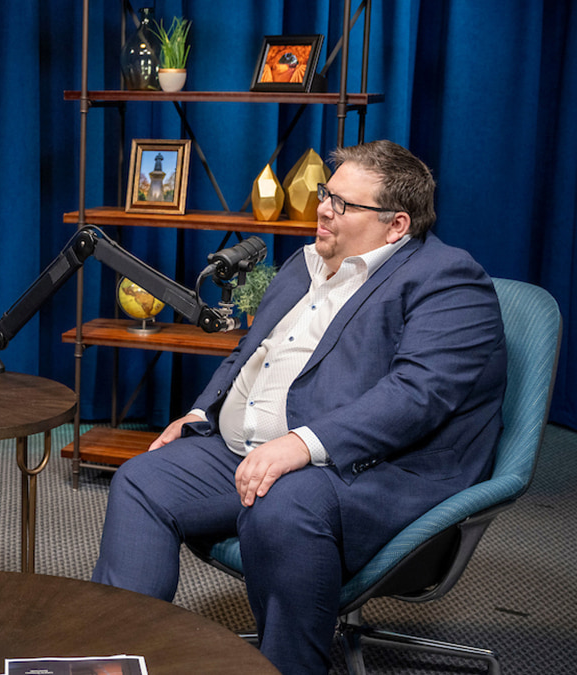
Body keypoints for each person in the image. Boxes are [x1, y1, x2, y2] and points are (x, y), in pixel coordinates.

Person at [91, 140, 507, 674]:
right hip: (252, 451)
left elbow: (417, 394)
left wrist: (302, 444)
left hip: (373, 468)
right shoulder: (306, 261)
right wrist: (202, 413)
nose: (323, 209)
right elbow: (250, 350)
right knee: (142, 479)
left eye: (343, 204)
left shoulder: (447, 279)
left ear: (396, 225)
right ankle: (121, 659)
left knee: (283, 505)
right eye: (325, 194)